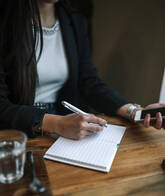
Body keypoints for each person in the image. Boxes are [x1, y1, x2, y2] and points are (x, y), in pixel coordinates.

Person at [0, 0, 163, 140]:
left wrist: (133, 112)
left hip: (64, 123)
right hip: (16, 129)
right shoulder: (5, 21)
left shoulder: (75, 21)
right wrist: (56, 124)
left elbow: (89, 82)